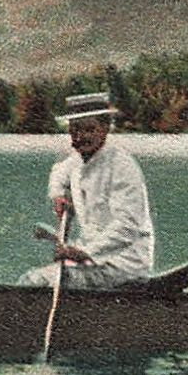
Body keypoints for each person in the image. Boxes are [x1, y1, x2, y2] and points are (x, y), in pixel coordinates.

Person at [19, 91, 155, 290]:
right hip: (90, 261)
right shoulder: (77, 160)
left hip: (123, 264)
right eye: (75, 131)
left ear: (105, 128)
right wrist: (57, 195)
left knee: (36, 281)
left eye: (89, 130)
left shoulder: (122, 167)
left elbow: (127, 226)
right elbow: (58, 172)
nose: (81, 137)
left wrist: (83, 251)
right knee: (37, 279)